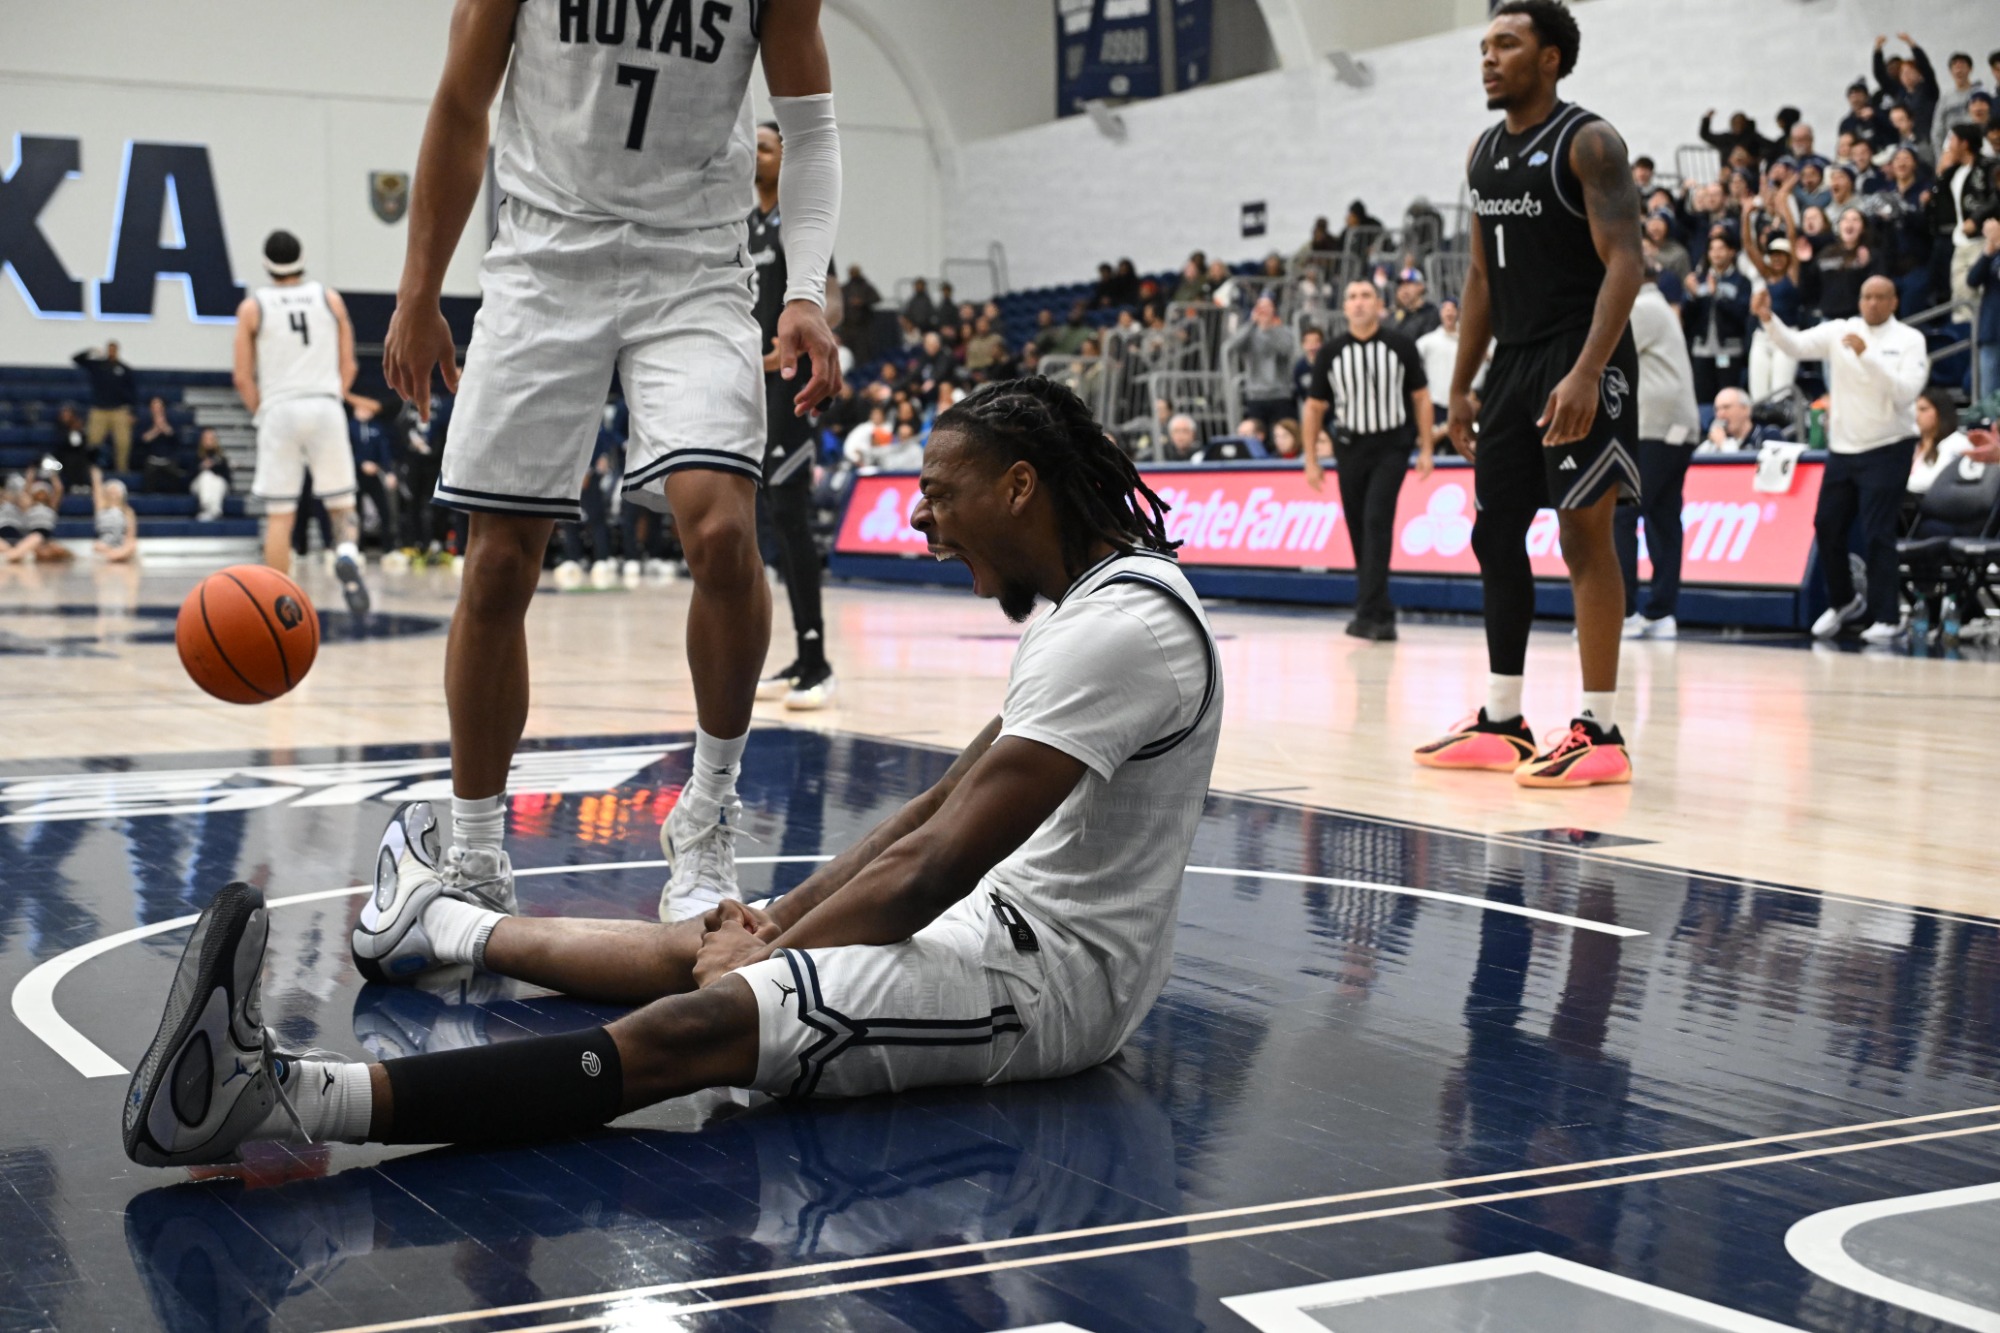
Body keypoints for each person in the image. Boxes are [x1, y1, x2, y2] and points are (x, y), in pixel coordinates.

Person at [121, 378, 1224, 1170]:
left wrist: (773, 954)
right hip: (1003, 930)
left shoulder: (1122, 631)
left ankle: (272, 1100)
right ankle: (440, 928)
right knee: (708, 945)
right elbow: (938, 804)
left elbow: (938, 863)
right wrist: (773, 914)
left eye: (940, 492)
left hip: (1045, 989)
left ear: (1022, 486)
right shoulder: (1098, 607)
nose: (922, 519)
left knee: (699, 1023)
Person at [381, 0, 843, 927]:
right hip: (545, 258)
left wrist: (803, 289)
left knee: (720, 534)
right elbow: (462, 105)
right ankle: (475, 851)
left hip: (696, 265)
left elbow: (810, 129)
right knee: (500, 562)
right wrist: (419, 290)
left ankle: (707, 818)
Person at [1417, 0, 1644, 788]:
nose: (1488, 57)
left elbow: (1627, 262)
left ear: (1549, 58)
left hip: (1582, 352)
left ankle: (1602, 728)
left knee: (1585, 535)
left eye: (1506, 44)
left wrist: (1586, 371)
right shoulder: (1483, 152)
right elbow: (1480, 276)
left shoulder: (1590, 142)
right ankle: (1504, 717)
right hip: (1510, 364)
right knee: (1494, 533)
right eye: (1484, 45)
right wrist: (1461, 385)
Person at [1752, 276, 1928, 643]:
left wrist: (1868, 355)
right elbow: (1795, 346)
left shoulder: (1910, 341)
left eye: (1880, 297)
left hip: (1889, 445)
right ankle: (1844, 601)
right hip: (1845, 448)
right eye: (1866, 296)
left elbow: (1905, 393)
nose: (1872, 304)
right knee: (1826, 525)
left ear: (1894, 301)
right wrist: (1769, 319)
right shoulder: (1839, 330)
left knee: (1879, 533)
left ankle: (1888, 618)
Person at [748, 119, 842, 712]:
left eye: (763, 146)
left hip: (788, 387)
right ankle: (801, 655)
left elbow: (828, 299)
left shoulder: (799, 222)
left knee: (792, 512)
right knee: (773, 522)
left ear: (786, 157)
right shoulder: (748, 223)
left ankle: (820, 661)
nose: (753, 155)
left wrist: (790, 354)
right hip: (752, 387)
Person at [233, 229, 370, 612]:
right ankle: (344, 552)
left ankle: (280, 600)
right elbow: (350, 364)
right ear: (302, 257)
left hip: (279, 409)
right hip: (324, 404)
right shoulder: (329, 299)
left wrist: (262, 410)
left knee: (281, 514)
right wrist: (333, 393)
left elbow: (242, 376)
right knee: (342, 504)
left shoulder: (253, 307)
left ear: (266, 263)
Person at [1303, 280, 1434, 642]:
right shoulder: (1330, 353)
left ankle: (1373, 611)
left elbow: (1422, 398)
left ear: (1379, 305)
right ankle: (1376, 609)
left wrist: (1426, 449)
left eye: (1365, 296)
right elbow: (1314, 408)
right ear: (1344, 307)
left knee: (1377, 520)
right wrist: (1311, 458)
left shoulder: (1401, 346)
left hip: (1392, 445)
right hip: (1350, 448)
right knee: (1359, 527)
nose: (1359, 303)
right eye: (1352, 297)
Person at [1614, 272, 1701, 639]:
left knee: (1621, 513)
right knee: (1663, 517)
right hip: (1674, 429)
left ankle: (1624, 611)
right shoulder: (1657, 306)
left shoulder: (1644, 307)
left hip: (1657, 429)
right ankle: (1662, 612)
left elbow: (1605, 349)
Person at [1682, 229, 1752, 402]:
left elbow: (1742, 315)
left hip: (1729, 349)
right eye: (1712, 249)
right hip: (1701, 350)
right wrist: (1692, 296)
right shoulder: (1699, 280)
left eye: (1721, 248)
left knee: (1728, 398)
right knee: (1702, 400)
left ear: (1731, 251)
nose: (1716, 253)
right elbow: (1689, 319)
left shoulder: (1741, 281)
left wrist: (1717, 296)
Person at [1224, 296, 1297, 437]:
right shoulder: (1249, 333)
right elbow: (1232, 346)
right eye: (1260, 307)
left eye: (1267, 306)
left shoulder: (1284, 331)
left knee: (1285, 435)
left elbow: (1286, 349)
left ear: (1274, 309)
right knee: (1256, 436)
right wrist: (1252, 323)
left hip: (1281, 394)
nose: (1263, 311)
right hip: (1256, 395)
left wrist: (1270, 329)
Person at [72, 342, 138, 473]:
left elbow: (133, 392)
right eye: (110, 349)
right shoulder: (98, 366)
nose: (112, 352)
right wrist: (90, 350)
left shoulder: (124, 369)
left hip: (119, 410)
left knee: (123, 443)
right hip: (99, 410)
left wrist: (133, 412)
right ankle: (91, 470)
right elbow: (76, 359)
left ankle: (122, 471)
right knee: (93, 442)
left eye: (114, 349)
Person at [348, 395, 401, 552]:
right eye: (361, 408)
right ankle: (357, 548)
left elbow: (384, 451)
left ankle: (389, 549)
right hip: (355, 476)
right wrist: (360, 463)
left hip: (375, 475)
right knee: (356, 513)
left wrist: (389, 472)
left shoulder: (377, 428)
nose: (364, 411)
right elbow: (346, 450)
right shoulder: (349, 427)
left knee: (384, 510)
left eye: (367, 409)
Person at [1907, 388, 1974, 498]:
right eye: (1914, 409)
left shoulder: (1956, 442)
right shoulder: (1913, 445)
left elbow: (1936, 481)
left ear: (1941, 412)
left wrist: (1897, 484)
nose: (1916, 415)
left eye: (1923, 409)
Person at [1968, 217, 2000, 399]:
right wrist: (1988, 250)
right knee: (1989, 397)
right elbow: (1972, 280)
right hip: (1991, 331)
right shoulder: (1992, 252)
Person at [1698, 387, 1779, 454]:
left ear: (1746, 409)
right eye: (1717, 409)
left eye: (1726, 407)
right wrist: (1711, 442)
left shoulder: (1769, 436)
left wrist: (1723, 444)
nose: (1720, 414)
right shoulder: (1715, 442)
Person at [90, 467, 139, 563]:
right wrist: (96, 477)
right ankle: (116, 555)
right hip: (105, 544)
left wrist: (126, 546)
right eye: (111, 492)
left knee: (132, 545)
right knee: (98, 546)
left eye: (116, 492)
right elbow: (97, 491)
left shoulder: (128, 511)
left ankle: (117, 555)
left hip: (122, 544)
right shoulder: (101, 508)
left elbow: (131, 534)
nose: (113, 494)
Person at [189, 428, 233, 521]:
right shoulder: (195, 456)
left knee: (216, 479)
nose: (208, 441)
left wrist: (213, 466)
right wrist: (202, 466)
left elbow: (227, 477)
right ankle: (206, 507)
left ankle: (214, 511)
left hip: (218, 486)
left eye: (211, 438)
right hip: (198, 485)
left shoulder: (221, 458)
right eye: (206, 438)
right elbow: (189, 476)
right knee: (206, 475)